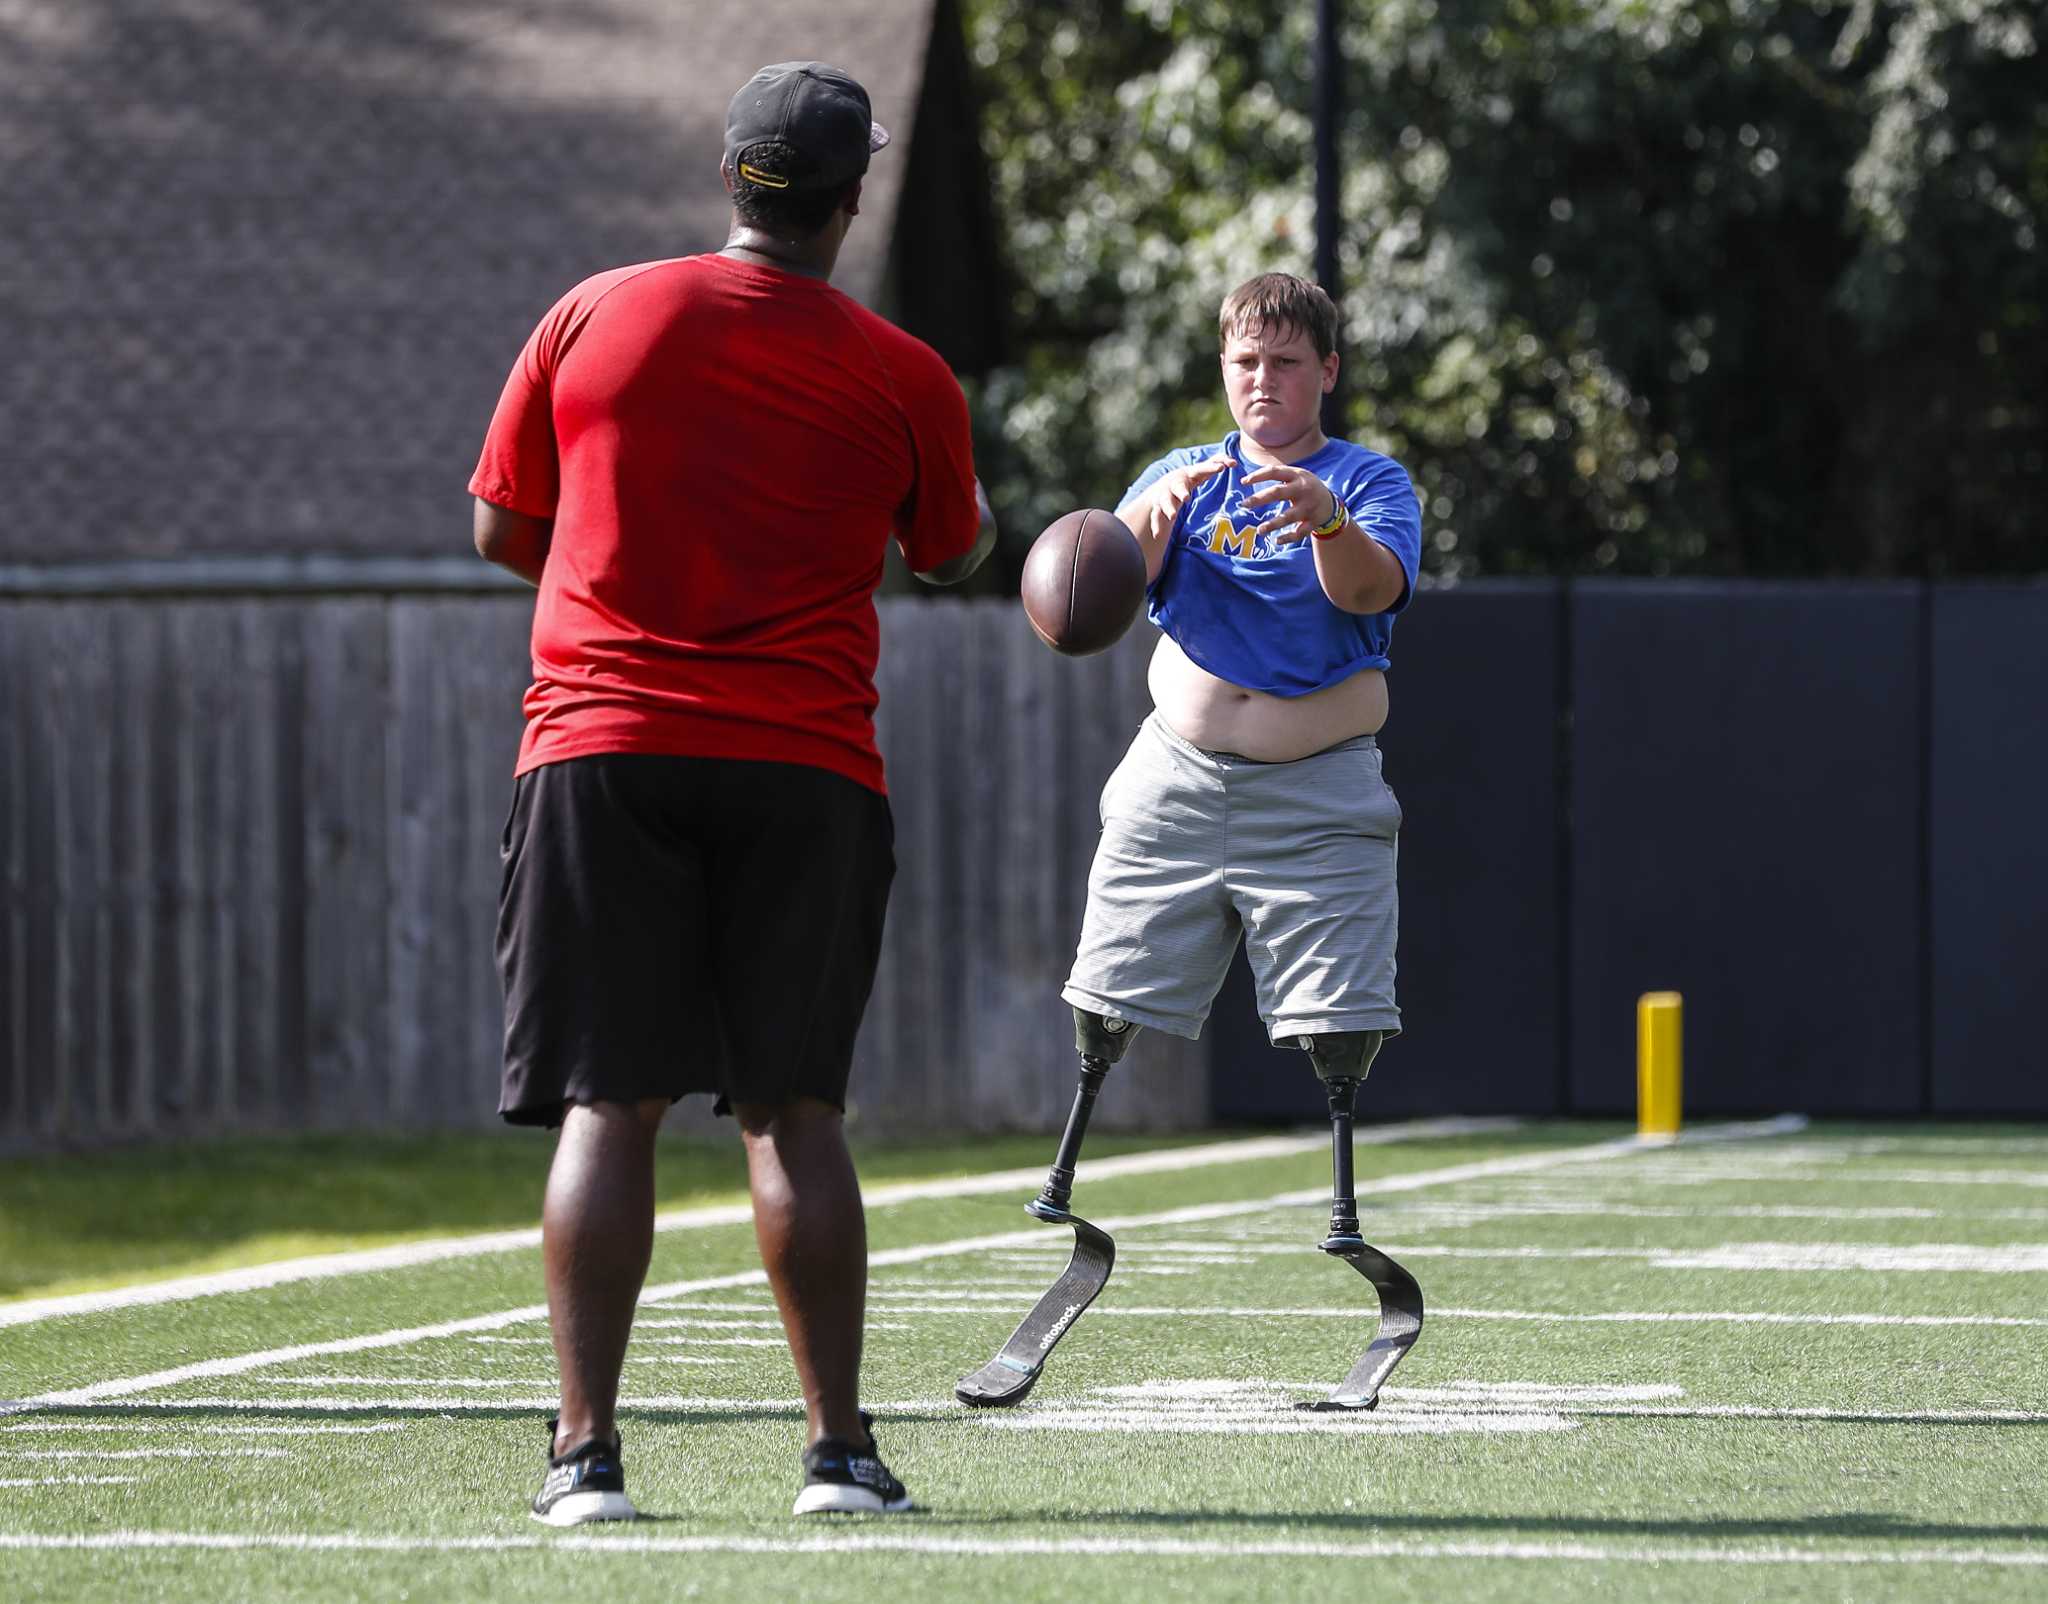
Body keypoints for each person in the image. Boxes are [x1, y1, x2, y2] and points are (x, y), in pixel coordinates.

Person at [468, 60, 994, 1524]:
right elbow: (953, 554)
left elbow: (501, 523)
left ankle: (584, 1459)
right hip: (803, 767)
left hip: (600, 747)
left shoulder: (594, 313)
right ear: (852, 195)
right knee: (792, 1111)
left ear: (730, 179)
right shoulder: (904, 372)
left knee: (606, 1104)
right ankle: (836, 1456)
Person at [965, 272, 1424, 1408]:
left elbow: (1373, 583)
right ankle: (1068, 1201)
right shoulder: (1175, 481)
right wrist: (1132, 539)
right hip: (1174, 780)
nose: (1259, 379)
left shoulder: (1369, 481)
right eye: (1241, 361)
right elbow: (1086, 592)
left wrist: (1319, 516)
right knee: (1103, 993)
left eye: (1280, 361)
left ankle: (1348, 1231)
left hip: (1317, 798)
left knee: (1339, 1021)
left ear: (1325, 369)